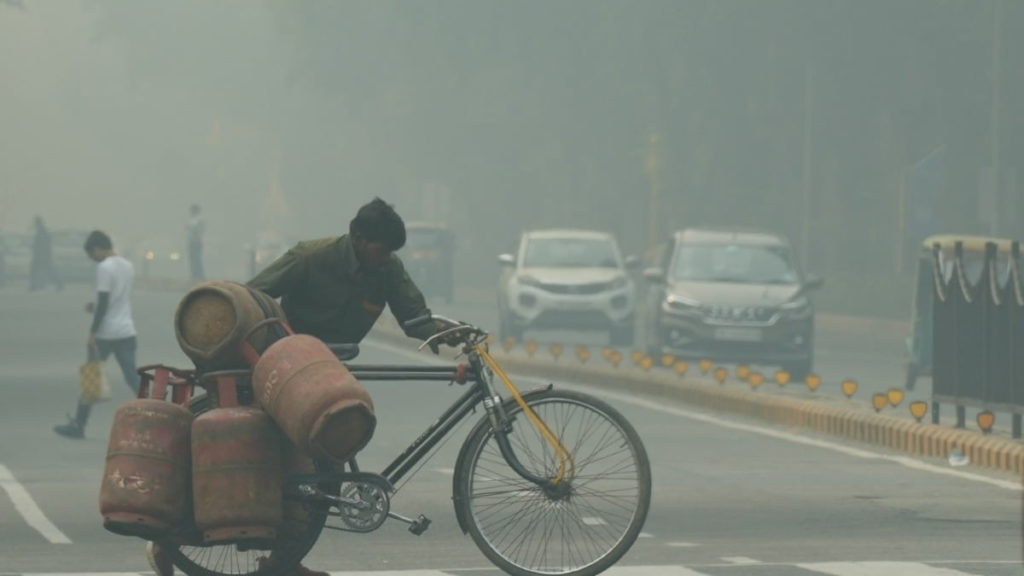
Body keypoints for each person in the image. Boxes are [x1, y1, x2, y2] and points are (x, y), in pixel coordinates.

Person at [147, 198, 456, 576]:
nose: (386, 257)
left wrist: (447, 333)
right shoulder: (310, 257)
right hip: (283, 373)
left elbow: (414, 318)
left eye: (391, 251)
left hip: (327, 375)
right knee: (271, 465)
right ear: (358, 239)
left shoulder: (387, 268)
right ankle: (168, 538)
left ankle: (282, 562)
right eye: (381, 249)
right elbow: (251, 298)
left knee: (325, 472)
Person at [54, 230, 138, 439]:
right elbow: (115, 299)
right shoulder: (127, 265)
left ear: (98, 248)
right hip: (127, 330)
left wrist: (92, 332)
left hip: (106, 334)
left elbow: (105, 301)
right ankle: (159, 412)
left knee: (91, 378)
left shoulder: (104, 267)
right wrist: (97, 306)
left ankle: (79, 425)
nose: (92, 259)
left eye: (91, 254)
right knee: (133, 378)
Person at [29, 215, 63, 291]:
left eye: (36, 222)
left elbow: (43, 246)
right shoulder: (42, 231)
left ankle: (59, 284)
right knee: (38, 271)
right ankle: (33, 285)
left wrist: (41, 255)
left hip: (42, 257)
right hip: (42, 256)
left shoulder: (42, 232)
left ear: (38, 223)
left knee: (43, 271)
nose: (35, 224)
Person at [186, 203, 205, 281]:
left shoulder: (199, 219)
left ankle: (199, 275)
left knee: (197, 258)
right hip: (191, 240)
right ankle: (194, 274)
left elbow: (200, 230)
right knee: (192, 258)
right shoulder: (191, 219)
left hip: (197, 241)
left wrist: (195, 234)